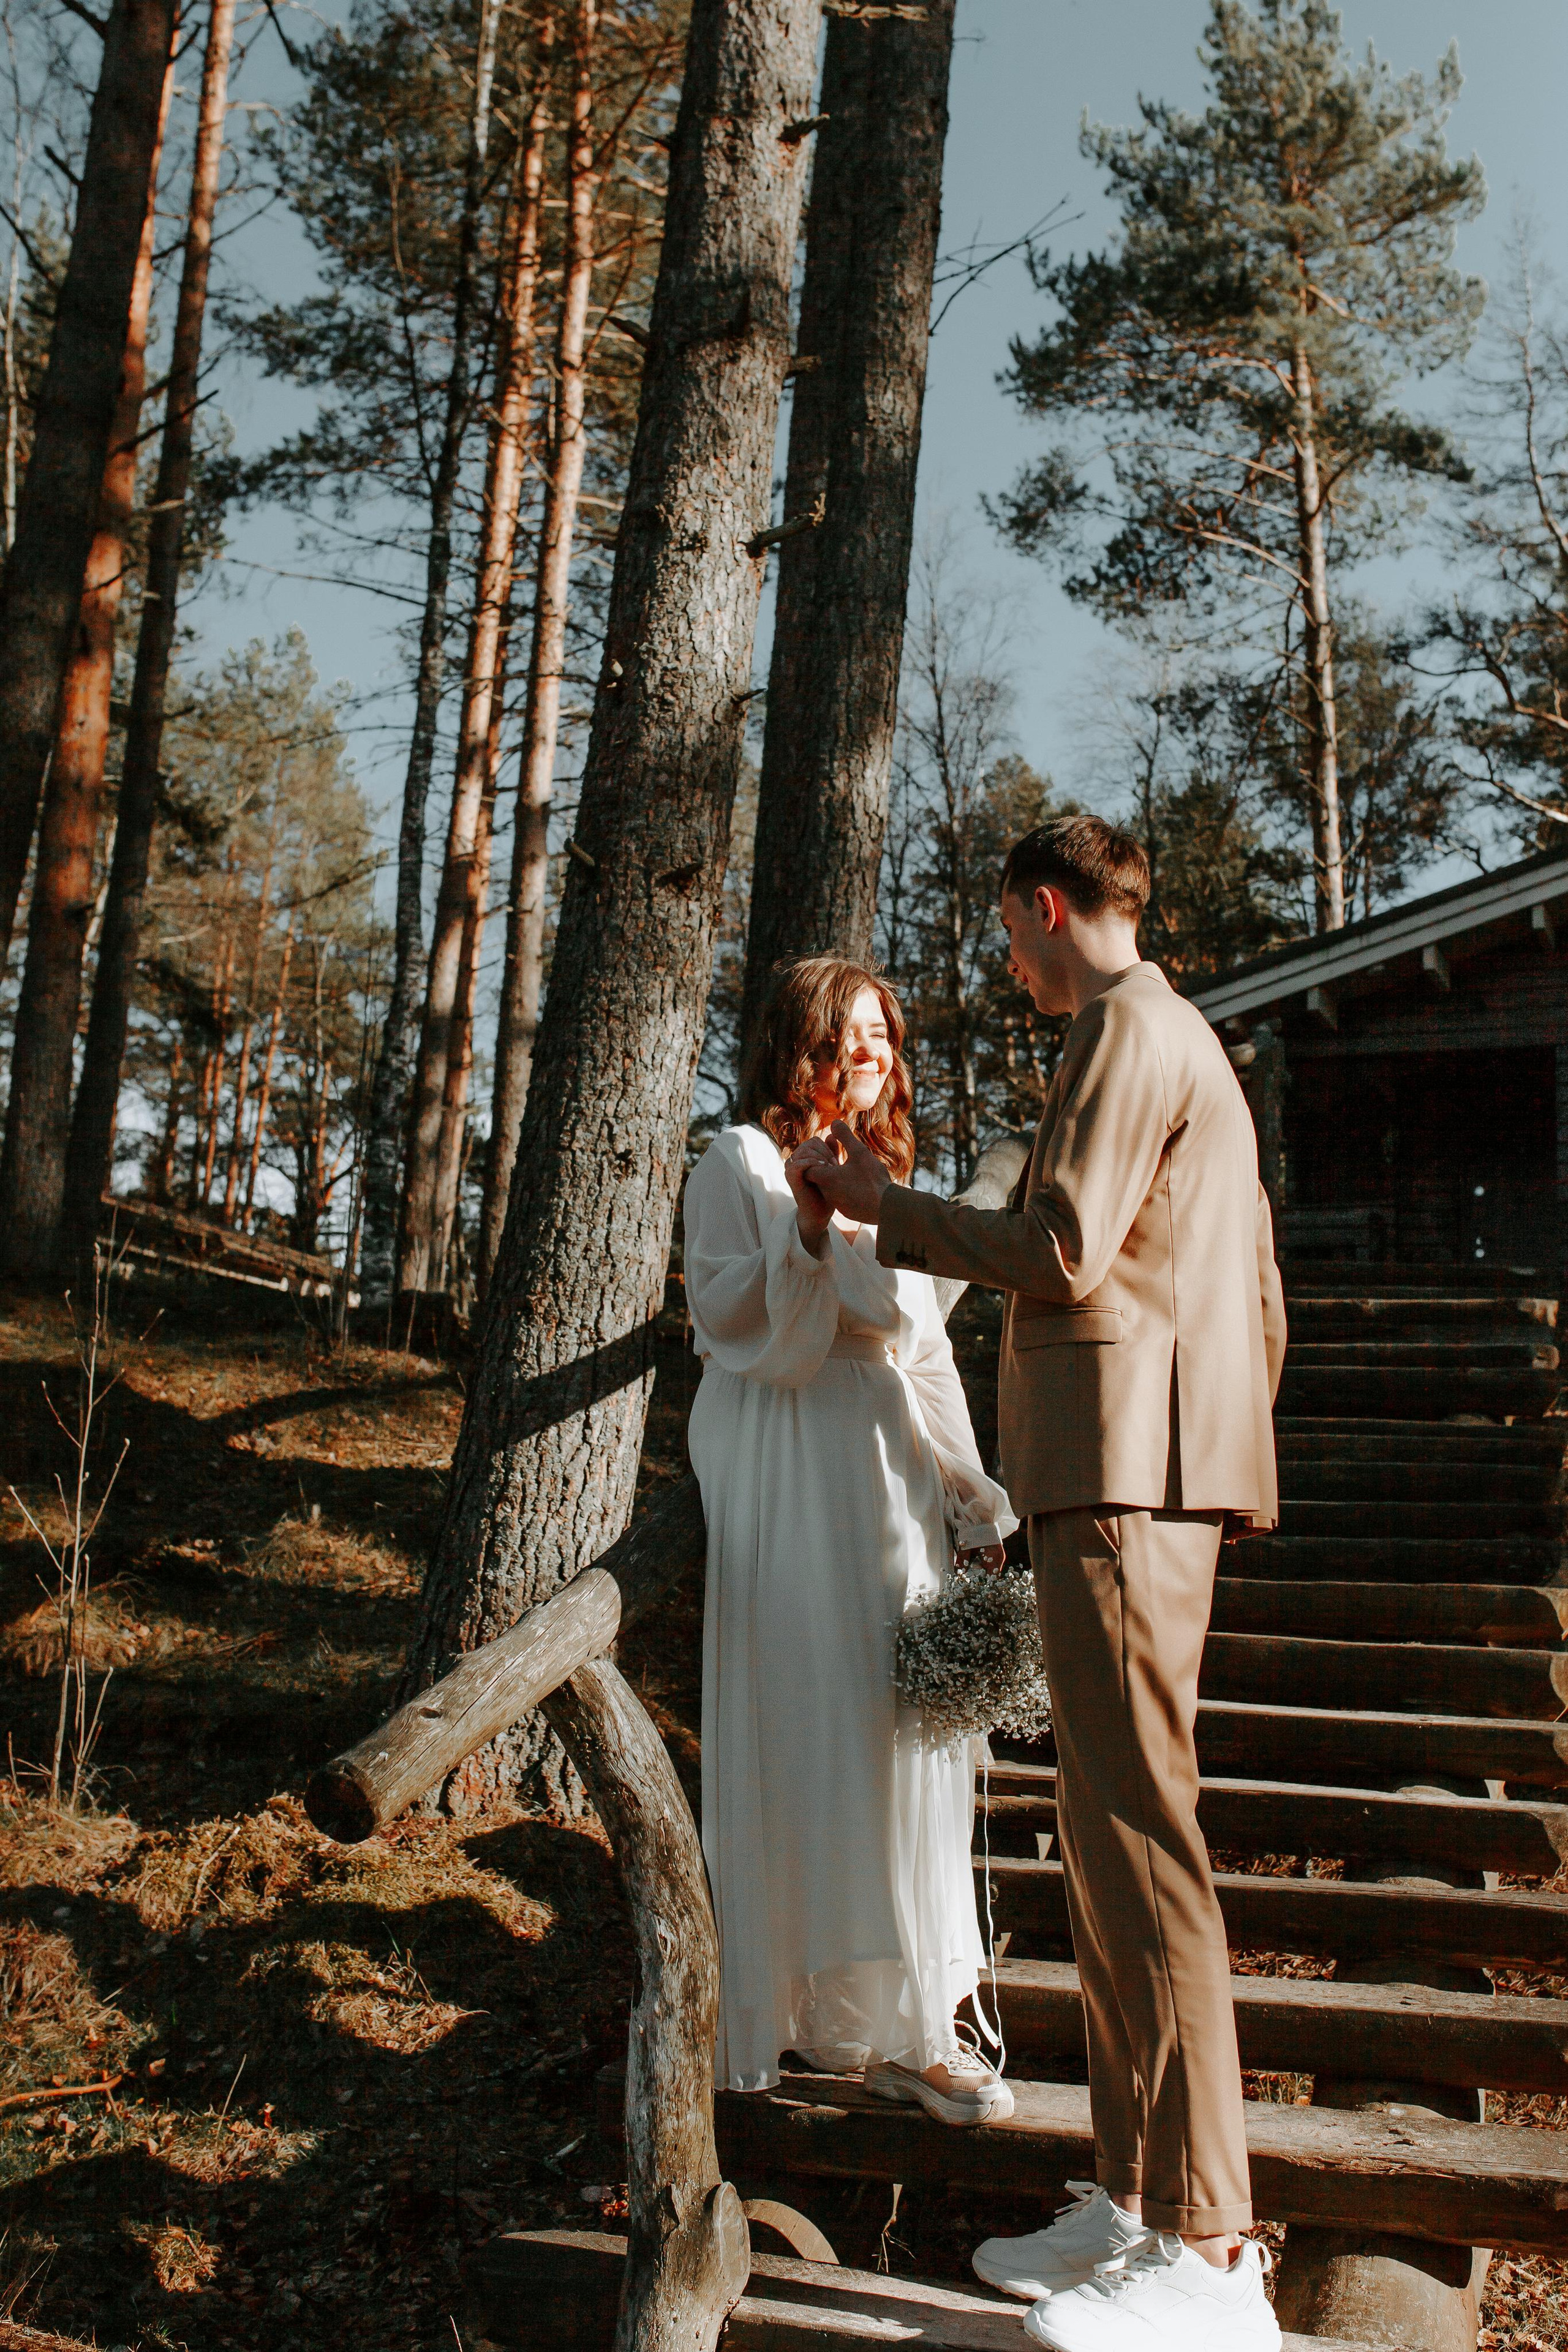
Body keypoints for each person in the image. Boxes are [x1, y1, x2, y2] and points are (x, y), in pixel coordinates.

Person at [796, 817, 1287, 2352]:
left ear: (1047, 904)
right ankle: (1134, 2203)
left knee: (1144, 1840)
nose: (1007, 962)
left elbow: (1065, 1248)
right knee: (1103, 1831)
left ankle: (1209, 2254)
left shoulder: (1131, 1032)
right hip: (1128, 1469)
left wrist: (875, 1207)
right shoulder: (1162, 1041)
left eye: (1010, 933)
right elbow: (1249, 1293)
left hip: (1129, 1478)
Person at [684, 955, 1017, 2127]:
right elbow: (744, 1334)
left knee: (905, 1731)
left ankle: (920, 2028)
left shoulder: (896, 1177)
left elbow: (920, 1350)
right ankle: (811, 2010)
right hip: (790, 1455)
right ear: (797, 1048)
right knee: (814, 1717)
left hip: (888, 1475)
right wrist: (811, 1231)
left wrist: (971, 1495)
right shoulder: (736, 1162)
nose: (866, 1054)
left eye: (880, 1035)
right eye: (844, 1036)